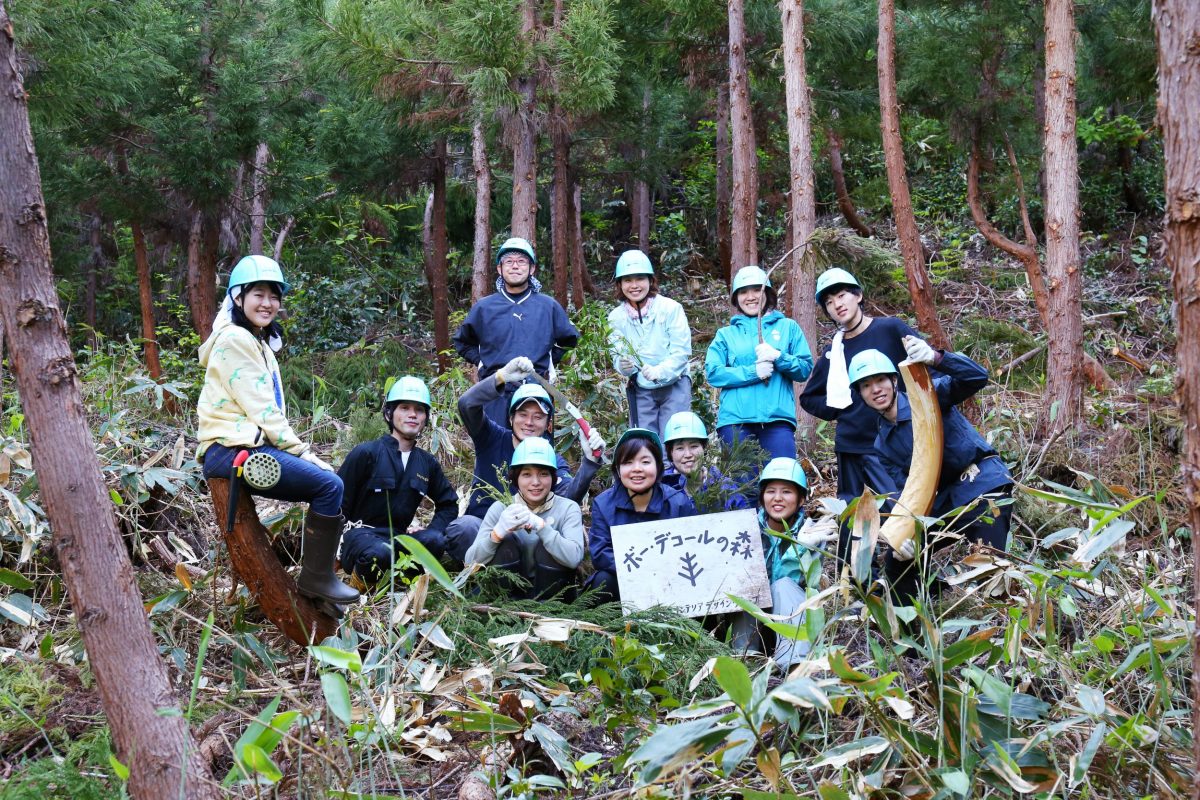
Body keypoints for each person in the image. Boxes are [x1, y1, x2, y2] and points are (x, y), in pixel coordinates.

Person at [196, 255, 358, 606]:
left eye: (274, 296)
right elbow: (264, 410)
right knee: (329, 484)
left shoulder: (255, 341)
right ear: (238, 297)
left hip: (241, 446)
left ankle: (318, 580)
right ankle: (317, 579)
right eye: (258, 294)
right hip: (231, 451)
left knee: (328, 485)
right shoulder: (235, 340)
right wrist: (303, 452)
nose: (268, 303)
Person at [847, 343, 1014, 605]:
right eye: (866, 385)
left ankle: (998, 618)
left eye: (880, 380)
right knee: (897, 558)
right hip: (942, 503)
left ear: (894, 380)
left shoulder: (927, 394)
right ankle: (923, 621)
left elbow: (977, 377)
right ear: (861, 394)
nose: (875, 389)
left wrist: (936, 358)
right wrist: (906, 535)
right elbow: (909, 492)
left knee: (989, 565)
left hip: (980, 485)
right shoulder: (882, 444)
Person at [799, 267, 920, 564]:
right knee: (849, 511)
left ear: (858, 296)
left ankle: (907, 573)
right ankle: (854, 577)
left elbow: (923, 365)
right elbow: (809, 397)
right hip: (851, 446)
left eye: (842, 296)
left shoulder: (890, 329)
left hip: (891, 441)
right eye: (829, 302)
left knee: (897, 506)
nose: (837, 304)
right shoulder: (834, 351)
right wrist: (846, 406)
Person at [444, 356, 604, 564]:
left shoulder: (551, 458)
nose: (529, 422)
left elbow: (568, 497)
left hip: (530, 536)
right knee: (463, 527)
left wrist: (590, 462)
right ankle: (479, 580)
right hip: (486, 531)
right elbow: (467, 405)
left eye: (538, 417)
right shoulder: (491, 437)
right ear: (511, 418)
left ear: (548, 424)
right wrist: (500, 377)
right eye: (523, 414)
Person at [338, 376, 458, 585]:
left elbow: (448, 504)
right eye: (404, 408)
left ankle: (402, 584)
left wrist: (431, 530)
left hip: (399, 540)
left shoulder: (426, 463)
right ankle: (357, 586)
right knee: (380, 553)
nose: (412, 415)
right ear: (389, 413)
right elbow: (337, 504)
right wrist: (329, 555)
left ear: (426, 418)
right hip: (360, 537)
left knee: (435, 541)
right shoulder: (366, 453)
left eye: (419, 410)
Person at [453, 237, 580, 424]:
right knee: (496, 447)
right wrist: (481, 362)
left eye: (521, 261)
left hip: (536, 390)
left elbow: (569, 339)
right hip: (496, 391)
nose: (515, 266)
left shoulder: (548, 306)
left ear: (532, 268)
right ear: (499, 268)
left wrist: (550, 360)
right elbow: (462, 342)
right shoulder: (485, 307)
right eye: (509, 261)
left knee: (536, 450)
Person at [730, 458, 838, 668]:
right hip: (752, 621)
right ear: (762, 497)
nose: (777, 498)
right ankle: (744, 661)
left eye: (787, 492)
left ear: (800, 499)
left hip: (793, 619)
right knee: (747, 587)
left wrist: (800, 547)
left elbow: (796, 583)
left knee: (782, 587)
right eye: (771, 491)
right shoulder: (746, 530)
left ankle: (793, 667)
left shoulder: (813, 532)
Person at [704, 265, 813, 474]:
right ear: (736, 298)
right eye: (743, 292)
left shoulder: (788, 327)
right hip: (735, 423)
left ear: (768, 293)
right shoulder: (726, 334)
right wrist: (753, 372)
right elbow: (714, 373)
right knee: (741, 488)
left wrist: (779, 357)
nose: (750, 296)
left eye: (756, 290)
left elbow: (804, 369)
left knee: (781, 480)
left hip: (777, 421)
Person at [464, 437, 586, 599]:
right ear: (516, 478)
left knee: (549, 547)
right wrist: (496, 534)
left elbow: (573, 559)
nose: (535, 482)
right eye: (527, 474)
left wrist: (542, 527)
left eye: (543, 474)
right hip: (507, 598)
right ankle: (504, 606)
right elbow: (470, 563)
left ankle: (545, 610)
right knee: (505, 542)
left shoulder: (568, 508)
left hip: (555, 598)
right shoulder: (501, 509)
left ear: (553, 478)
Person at [585, 428, 698, 602]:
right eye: (628, 462)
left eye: (645, 462)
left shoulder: (678, 503)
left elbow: (694, 548)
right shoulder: (603, 504)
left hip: (671, 581)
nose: (637, 469)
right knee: (603, 580)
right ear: (618, 468)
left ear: (658, 466)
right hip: (624, 579)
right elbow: (601, 553)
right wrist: (643, 569)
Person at [607, 250, 693, 439]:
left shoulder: (670, 308)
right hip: (641, 389)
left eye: (640, 279)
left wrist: (660, 371)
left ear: (650, 280)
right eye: (627, 280)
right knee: (646, 443)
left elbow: (681, 351)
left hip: (675, 384)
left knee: (674, 439)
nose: (634, 285)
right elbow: (617, 353)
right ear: (620, 284)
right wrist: (623, 366)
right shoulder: (616, 318)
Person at [660, 411, 749, 513]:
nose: (688, 454)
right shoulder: (661, 488)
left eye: (694, 446)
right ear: (670, 452)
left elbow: (742, 521)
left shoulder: (723, 486)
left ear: (704, 448)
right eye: (680, 448)